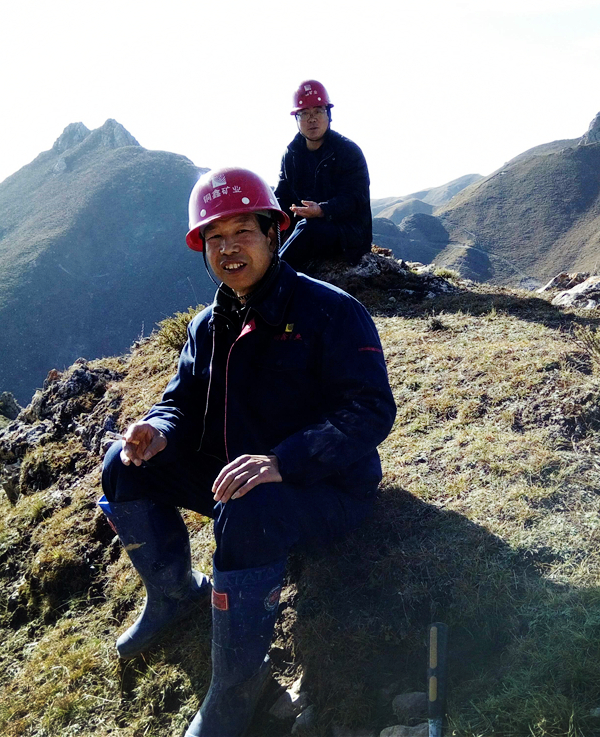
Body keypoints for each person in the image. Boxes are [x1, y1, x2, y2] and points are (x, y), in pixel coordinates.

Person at [98, 166, 395, 737]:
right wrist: (157, 430)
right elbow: (181, 401)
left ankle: (240, 685)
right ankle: (175, 594)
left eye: (243, 232)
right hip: (238, 476)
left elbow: (369, 411)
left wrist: (284, 461)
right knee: (122, 464)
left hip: (325, 487)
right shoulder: (207, 326)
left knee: (249, 507)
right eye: (214, 237)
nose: (228, 248)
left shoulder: (331, 312)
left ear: (272, 232)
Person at [275, 79, 373, 268]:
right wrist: (274, 225)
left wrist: (322, 210)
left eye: (318, 111)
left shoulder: (348, 151)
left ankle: (272, 276)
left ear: (328, 114)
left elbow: (354, 198)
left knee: (308, 228)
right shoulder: (291, 154)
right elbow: (282, 196)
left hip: (348, 232)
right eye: (304, 113)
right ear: (296, 119)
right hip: (304, 227)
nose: (312, 119)